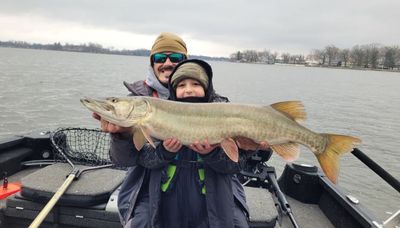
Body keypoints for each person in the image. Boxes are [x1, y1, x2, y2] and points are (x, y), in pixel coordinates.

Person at [136, 59, 255, 227]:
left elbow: (234, 165)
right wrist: (164, 152)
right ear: (173, 90)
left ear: (206, 89)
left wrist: (211, 154)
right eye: (181, 85)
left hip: (210, 203)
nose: (188, 90)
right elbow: (144, 159)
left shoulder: (226, 114)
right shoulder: (156, 117)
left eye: (196, 84)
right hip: (168, 200)